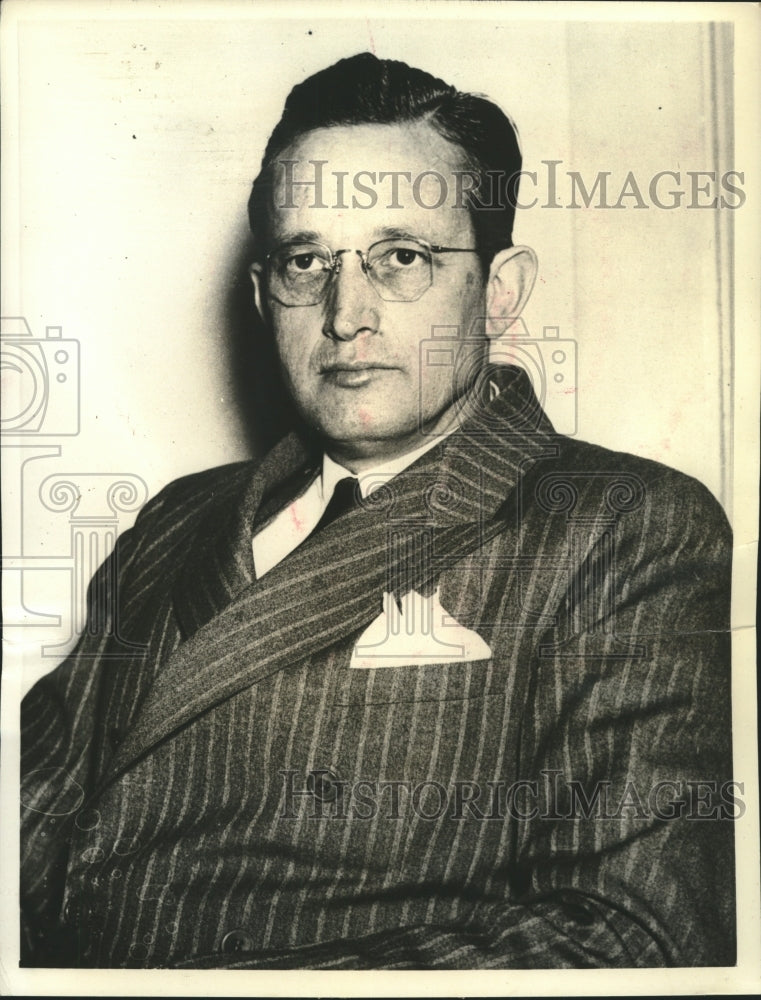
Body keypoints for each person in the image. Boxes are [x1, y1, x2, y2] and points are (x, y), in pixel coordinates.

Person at [20, 52, 735, 969]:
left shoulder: (622, 526)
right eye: (305, 259)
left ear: (501, 290)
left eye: (401, 257)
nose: (345, 312)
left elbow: (635, 939)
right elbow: (29, 824)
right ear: (261, 296)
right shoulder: (176, 521)